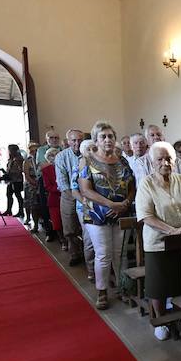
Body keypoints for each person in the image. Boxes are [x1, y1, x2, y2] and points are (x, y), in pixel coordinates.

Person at [136, 142, 181, 337]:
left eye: (168, 158)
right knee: (159, 286)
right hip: (158, 243)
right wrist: (172, 231)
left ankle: (180, 316)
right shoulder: (146, 183)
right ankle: (161, 321)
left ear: (175, 160)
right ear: (152, 162)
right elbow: (146, 216)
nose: (165, 163)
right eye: (160, 159)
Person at [79, 121, 136, 310]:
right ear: (96, 140)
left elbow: (131, 186)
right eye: (103, 136)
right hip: (97, 215)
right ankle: (102, 291)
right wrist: (111, 204)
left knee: (119, 253)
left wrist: (125, 203)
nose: (107, 140)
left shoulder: (122, 160)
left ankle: (122, 287)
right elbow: (85, 190)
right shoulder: (86, 160)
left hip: (121, 212)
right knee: (103, 255)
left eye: (111, 136)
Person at [54, 129, 85, 266]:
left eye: (80, 140)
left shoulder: (89, 153)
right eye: (74, 140)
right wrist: (77, 197)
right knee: (70, 227)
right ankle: (75, 253)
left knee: (89, 227)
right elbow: (62, 182)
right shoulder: (61, 156)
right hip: (68, 194)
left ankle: (89, 253)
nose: (77, 143)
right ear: (68, 141)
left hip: (87, 193)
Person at [73, 140, 97, 281]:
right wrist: (87, 203)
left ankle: (102, 269)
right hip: (85, 208)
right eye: (88, 149)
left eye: (94, 148)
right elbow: (74, 190)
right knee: (89, 240)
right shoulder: (78, 167)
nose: (91, 151)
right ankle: (91, 271)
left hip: (100, 207)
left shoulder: (100, 165)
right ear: (82, 151)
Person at [41, 148, 64, 248]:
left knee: (68, 222)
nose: (54, 157)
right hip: (54, 198)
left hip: (67, 197)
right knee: (57, 222)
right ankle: (62, 240)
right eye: (51, 155)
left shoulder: (65, 167)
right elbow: (47, 186)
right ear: (48, 158)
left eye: (56, 154)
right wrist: (60, 188)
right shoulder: (46, 170)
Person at [0, 144, 25, 218]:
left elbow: (20, 170)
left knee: (18, 195)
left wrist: (8, 175)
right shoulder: (11, 159)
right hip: (11, 180)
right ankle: (9, 210)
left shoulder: (18, 159)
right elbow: (9, 170)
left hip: (17, 180)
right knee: (9, 195)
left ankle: (21, 211)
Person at [22, 141, 41, 230]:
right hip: (30, 185)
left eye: (37, 150)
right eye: (33, 151)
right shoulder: (27, 161)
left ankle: (39, 221)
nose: (35, 152)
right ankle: (32, 221)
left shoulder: (41, 159)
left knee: (38, 206)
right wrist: (34, 183)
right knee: (31, 204)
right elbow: (27, 175)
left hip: (40, 183)